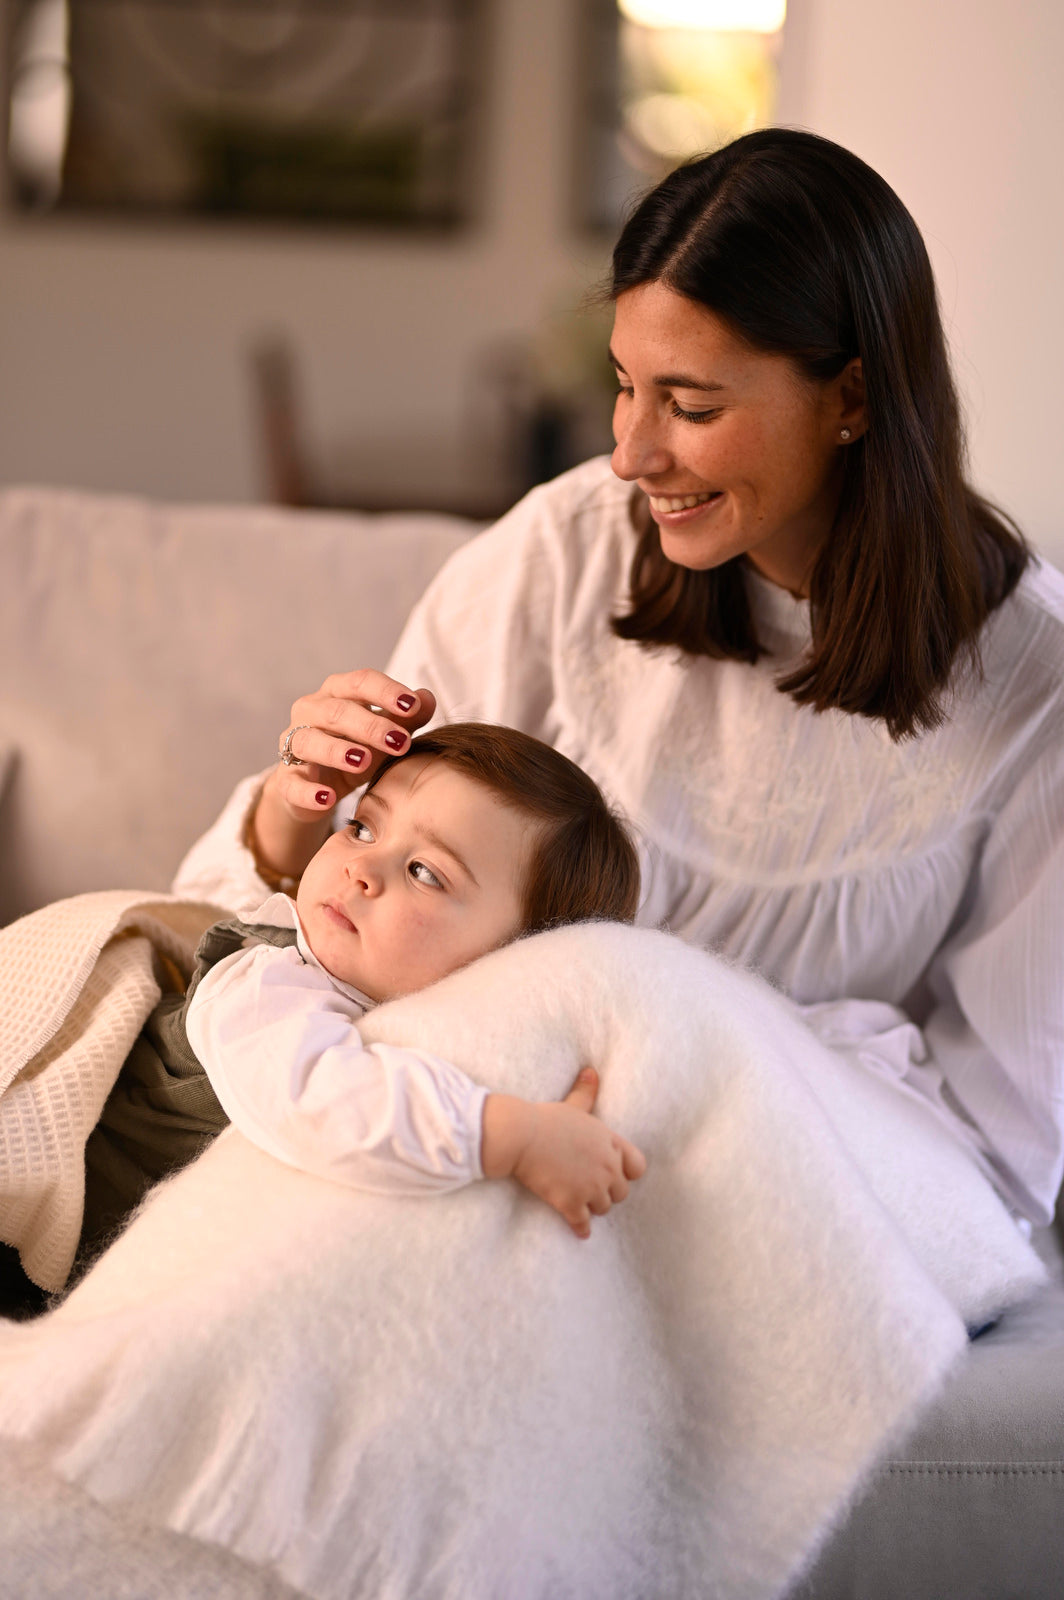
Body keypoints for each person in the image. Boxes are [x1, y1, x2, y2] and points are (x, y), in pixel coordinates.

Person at [175, 128, 1064, 1236]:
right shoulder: (564, 553)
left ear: (849, 398)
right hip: (461, 1165)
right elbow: (255, 936)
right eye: (623, 387)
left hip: (764, 1220)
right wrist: (295, 810)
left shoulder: (1035, 691)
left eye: (689, 408)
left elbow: (998, 1158)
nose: (630, 454)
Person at [81, 723, 644, 1266]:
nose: (361, 867)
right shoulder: (268, 980)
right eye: (363, 827)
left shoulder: (444, 1023)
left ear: (518, 960)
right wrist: (511, 1136)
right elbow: (318, 1099)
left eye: (425, 872)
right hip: (73, 1208)